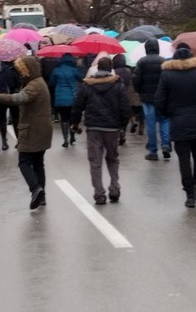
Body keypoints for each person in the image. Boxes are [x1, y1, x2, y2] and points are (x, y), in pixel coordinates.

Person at [0, 56, 52, 210]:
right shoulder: (38, 82)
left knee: (24, 162)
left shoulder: (34, 85)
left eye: (22, 70)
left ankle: (36, 189)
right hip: (42, 129)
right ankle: (42, 197)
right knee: (38, 163)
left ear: (28, 70)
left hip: (33, 129)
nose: (21, 73)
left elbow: (19, 98)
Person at [155, 43, 196, 208]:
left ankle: (189, 194)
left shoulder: (167, 74)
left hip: (178, 121)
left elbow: (159, 101)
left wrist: (169, 113)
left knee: (183, 159)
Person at [71, 56, 131, 204]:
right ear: (110, 68)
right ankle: (115, 187)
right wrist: (123, 125)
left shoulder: (87, 85)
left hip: (94, 128)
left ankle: (99, 193)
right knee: (112, 159)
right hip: (112, 128)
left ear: (97, 68)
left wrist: (75, 122)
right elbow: (124, 106)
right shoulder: (118, 84)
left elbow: (78, 105)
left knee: (95, 161)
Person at [132, 38, 169, 161]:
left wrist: (140, 91)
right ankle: (165, 145)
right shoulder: (164, 61)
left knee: (151, 123)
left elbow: (136, 79)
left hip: (147, 98)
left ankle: (153, 151)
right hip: (162, 97)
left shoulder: (142, 62)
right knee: (164, 121)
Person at [49, 53, 83, 148]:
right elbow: (82, 79)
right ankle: (72, 137)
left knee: (63, 119)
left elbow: (51, 83)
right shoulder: (74, 70)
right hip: (72, 98)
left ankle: (65, 140)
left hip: (60, 99)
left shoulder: (56, 70)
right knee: (72, 118)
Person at [113, 53, 142, 136]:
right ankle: (132, 120)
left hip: (117, 95)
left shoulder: (114, 72)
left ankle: (121, 132)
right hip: (127, 94)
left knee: (119, 115)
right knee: (127, 111)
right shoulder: (128, 71)